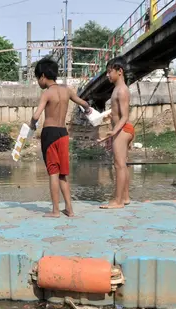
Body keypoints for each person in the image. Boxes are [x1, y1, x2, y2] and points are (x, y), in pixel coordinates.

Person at [29, 57, 92, 218]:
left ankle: (56, 210)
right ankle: (70, 210)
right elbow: (83, 103)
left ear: (43, 76)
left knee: (53, 172)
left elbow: (36, 115)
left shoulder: (47, 93)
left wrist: (31, 124)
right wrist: (88, 109)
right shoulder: (67, 90)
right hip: (63, 134)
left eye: (37, 78)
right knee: (63, 173)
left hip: (49, 134)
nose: (38, 82)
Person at [98, 56, 135, 209]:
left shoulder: (122, 90)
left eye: (109, 72)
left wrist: (113, 131)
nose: (107, 75)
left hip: (122, 130)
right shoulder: (117, 89)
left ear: (119, 71)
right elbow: (118, 112)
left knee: (118, 165)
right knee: (122, 165)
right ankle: (125, 197)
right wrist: (110, 116)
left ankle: (118, 201)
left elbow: (125, 116)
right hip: (122, 129)